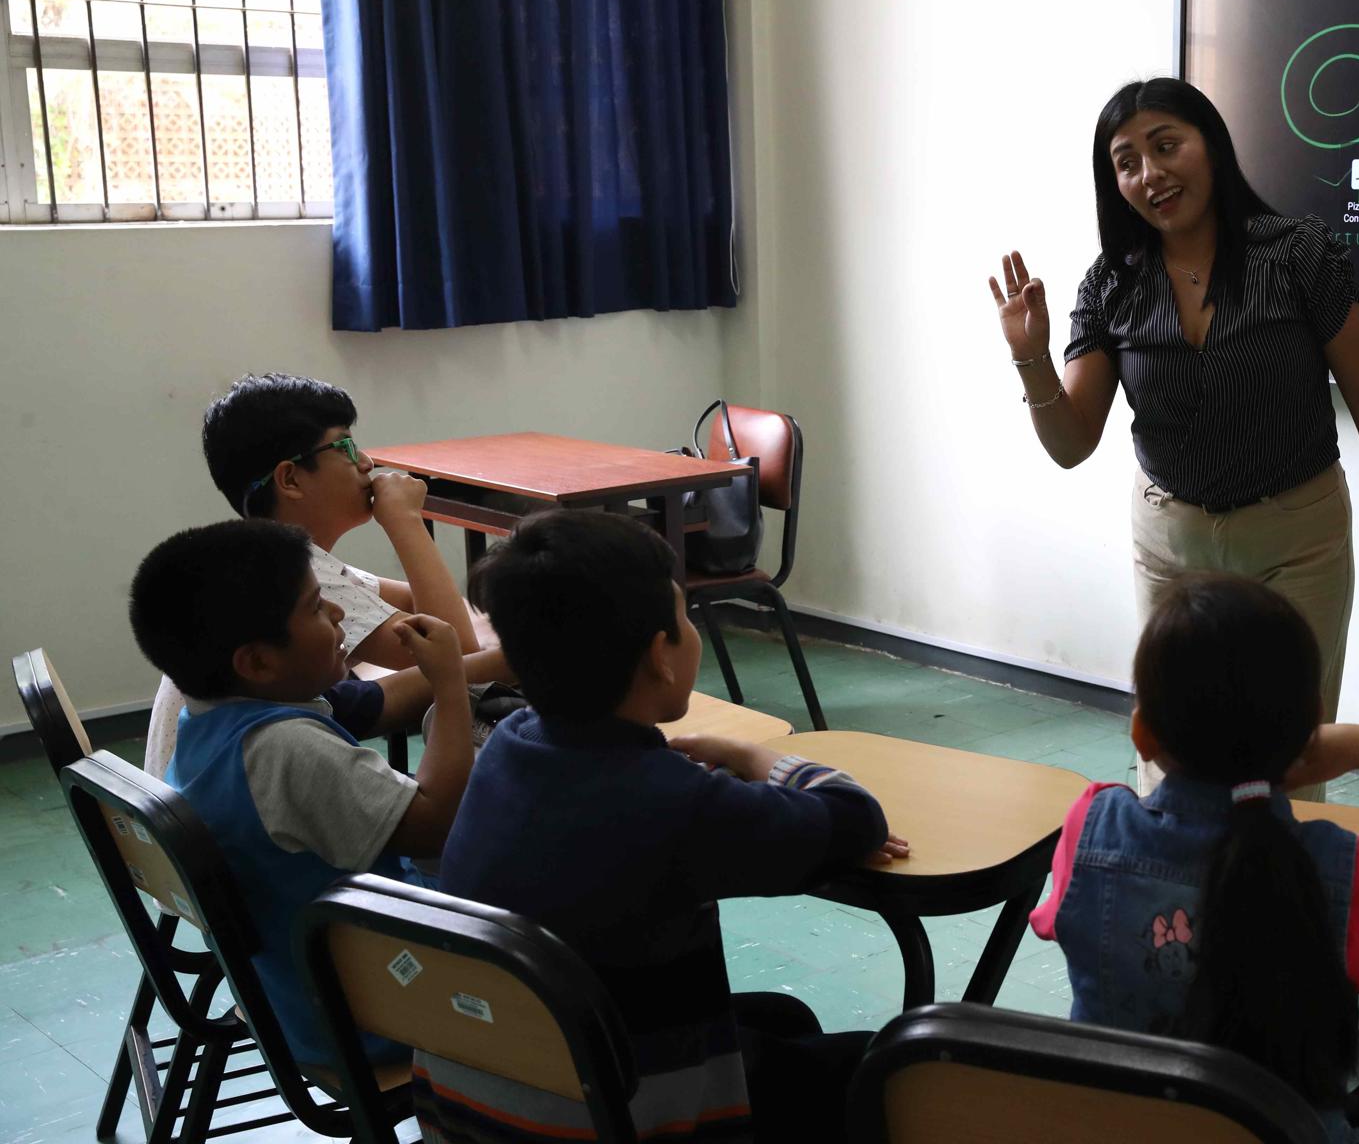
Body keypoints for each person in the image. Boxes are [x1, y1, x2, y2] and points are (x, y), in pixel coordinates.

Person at [988, 77, 1359, 795]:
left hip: (1298, 540)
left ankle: (1279, 900)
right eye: (1126, 162)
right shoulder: (1110, 287)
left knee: (1291, 752)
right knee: (1173, 751)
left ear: (1211, 148)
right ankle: (1176, 902)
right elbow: (1071, 443)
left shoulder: (1298, 256)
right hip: (1171, 545)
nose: (1149, 174)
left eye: (1166, 147)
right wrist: (1029, 356)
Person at [417, 512, 907, 1143]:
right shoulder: (673, 802)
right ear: (659, 656)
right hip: (609, 1111)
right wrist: (757, 757)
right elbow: (856, 818)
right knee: (893, 1070)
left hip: (495, 1094)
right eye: (684, 620)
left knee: (783, 1016)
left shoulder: (510, 742)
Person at [1029, 574, 1359, 1143]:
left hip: (1122, 1129)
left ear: (1143, 733)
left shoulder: (1089, 828)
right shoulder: (1345, 870)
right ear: (1312, 726)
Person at [127, 519, 479, 1066]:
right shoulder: (285, 749)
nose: (339, 615)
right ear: (259, 662)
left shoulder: (206, 728)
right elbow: (434, 822)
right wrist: (452, 688)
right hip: (374, 1012)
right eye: (317, 607)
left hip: (304, 998)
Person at [145, 373, 487, 777]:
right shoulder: (293, 579)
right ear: (290, 479)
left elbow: (421, 605)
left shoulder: (279, 558)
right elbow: (456, 655)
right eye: (345, 446)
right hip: (236, 816)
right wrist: (406, 522)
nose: (366, 463)